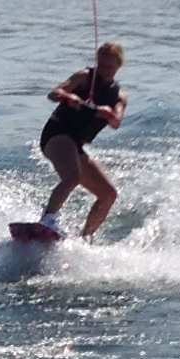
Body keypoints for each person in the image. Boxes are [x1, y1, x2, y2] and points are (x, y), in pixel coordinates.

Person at [38, 40, 126, 236]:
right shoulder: (84, 77)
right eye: (100, 64)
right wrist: (68, 97)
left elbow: (116, 122)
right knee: (72, 177)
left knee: (108, 194)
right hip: (56, 135)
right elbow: (54, 93)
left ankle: (85, 237)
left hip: (76, 145)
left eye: (108, 67)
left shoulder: (119, 96)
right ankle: (47, 220)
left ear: (118, 67)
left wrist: (109, 114)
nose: (103, 70)